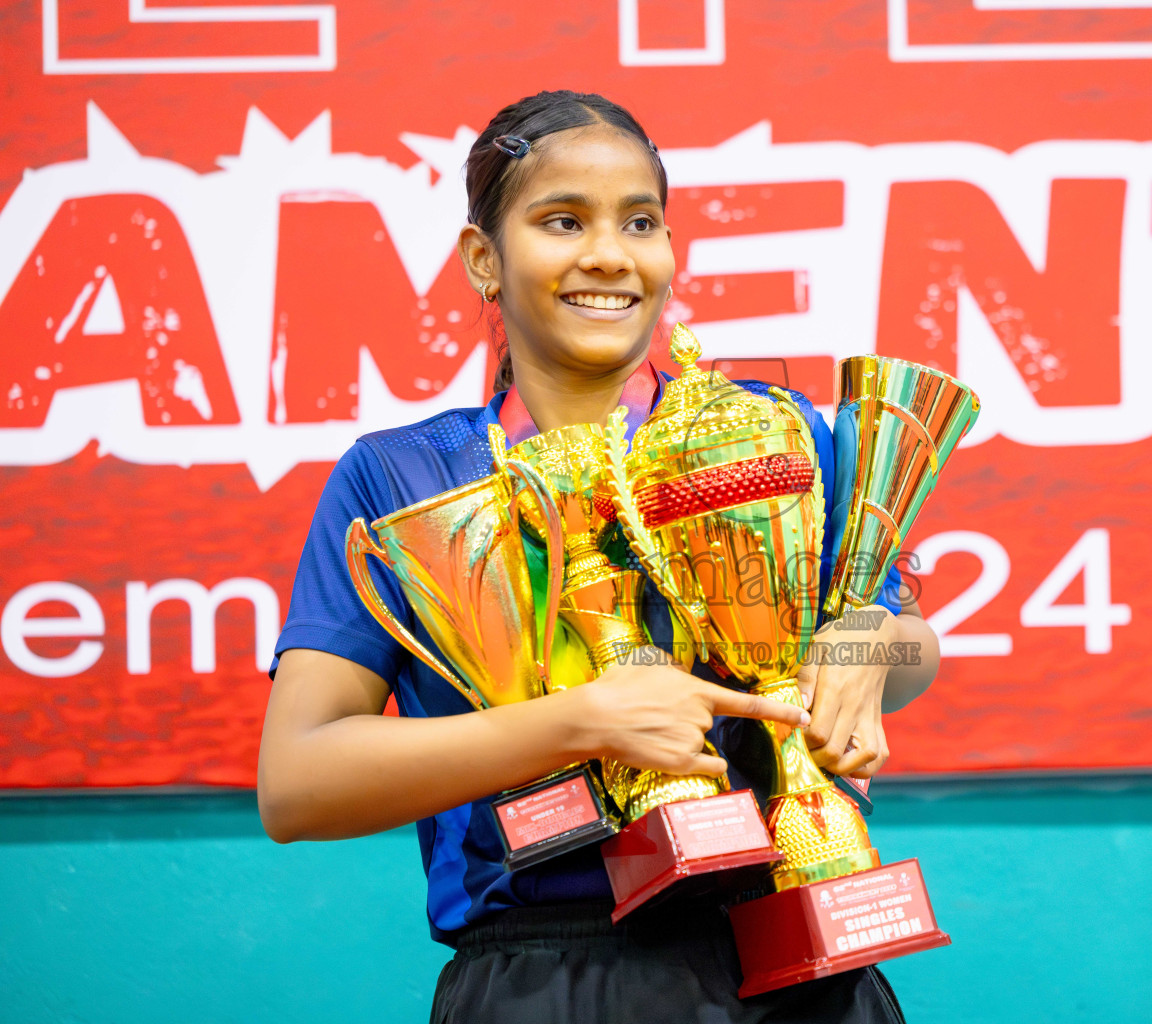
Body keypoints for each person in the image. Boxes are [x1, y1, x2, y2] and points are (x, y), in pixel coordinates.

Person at [257, 89, 941, 1023]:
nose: (610, 255)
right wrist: (582, 721)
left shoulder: (769, 435)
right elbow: (298, 785)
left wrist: (864, 647)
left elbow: (913, 648)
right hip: (547, 977)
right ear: (483, 261)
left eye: (641, 221)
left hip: (807, 959)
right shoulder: (405, 478)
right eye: (562, 220)